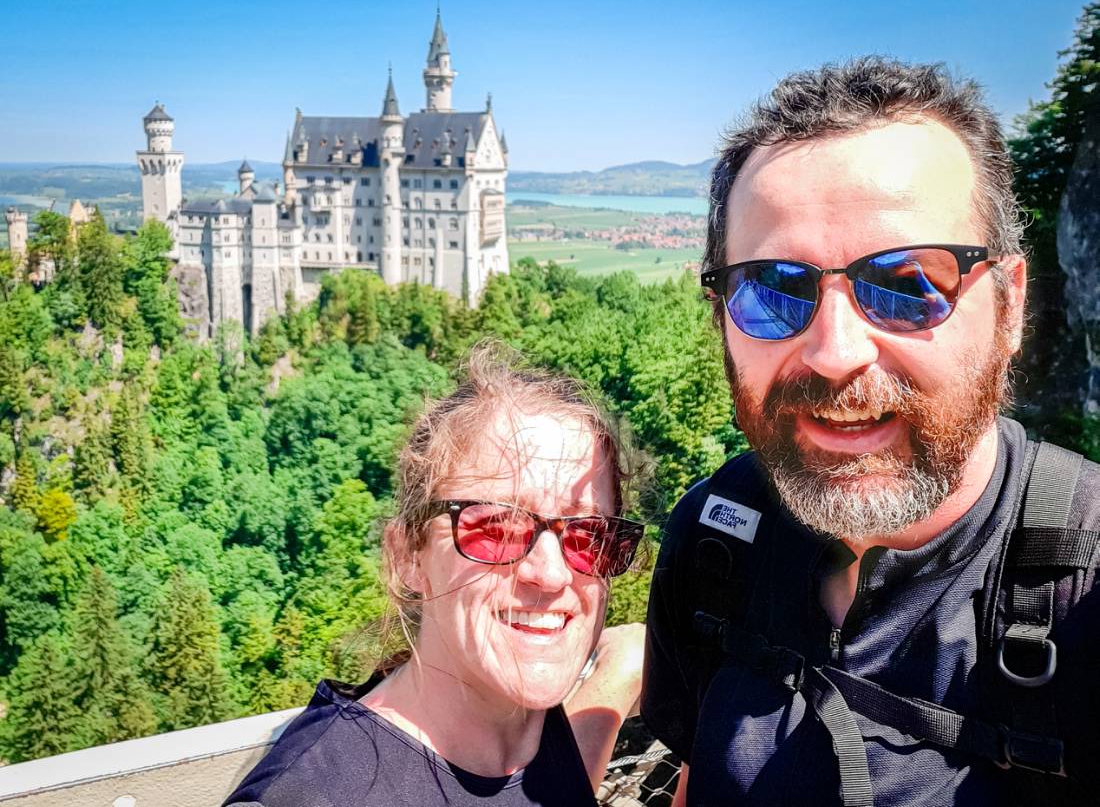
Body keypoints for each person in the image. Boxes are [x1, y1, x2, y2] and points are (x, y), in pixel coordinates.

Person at [641, 58, 1100, 806]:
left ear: (1009, 307)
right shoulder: (715, 542)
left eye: (907, 283)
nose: (834, 350)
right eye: (772, 288)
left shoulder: (1087, 587)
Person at [226, 346, 646, 806]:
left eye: (589, 535)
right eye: (497, 527)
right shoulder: (311, 794)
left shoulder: (528, 733)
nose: (550, 573)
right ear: (407, 555)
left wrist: (617, 678)